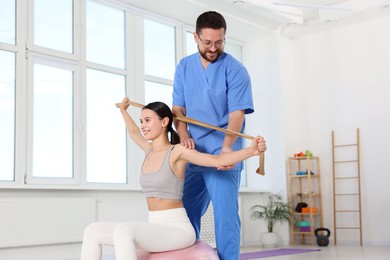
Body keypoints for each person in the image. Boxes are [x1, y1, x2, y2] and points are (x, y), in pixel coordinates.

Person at [80, 97, 266, 260]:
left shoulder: (177, 152)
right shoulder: (149, 151)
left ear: (164, 122)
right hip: (156, 226)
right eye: (141, 121)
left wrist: (251, 151)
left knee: (123, 230)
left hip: (178, 230)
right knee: (93, 231)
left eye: (147, 120)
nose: (143, 125)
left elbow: (215, 160)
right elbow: (133, 133)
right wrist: (123, 111)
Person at [172, 11, 255, 260]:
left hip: (222, 152)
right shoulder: (184, 67)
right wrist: (183, 134)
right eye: (207, 42)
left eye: (219, 42)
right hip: (194, 152)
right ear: (196, 37)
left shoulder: (236, 70)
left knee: (225, 215)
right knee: (185, 214)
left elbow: (237, 114)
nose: (213, 48)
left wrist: (228, 147)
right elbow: (178, 109)